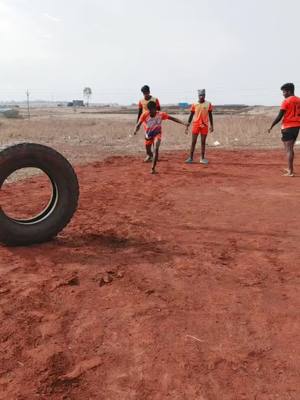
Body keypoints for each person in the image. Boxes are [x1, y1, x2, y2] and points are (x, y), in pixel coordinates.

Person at [133, 101, 188, 174]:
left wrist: (184, 123)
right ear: (148, 110)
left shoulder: (161, 114)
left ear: (155, 108)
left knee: (156, 148)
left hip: (157, 134)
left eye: (153, 109)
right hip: (148, 134)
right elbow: (139, 124)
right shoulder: (145, 114)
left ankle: (153, 168)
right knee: (148, 151)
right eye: (150, 110)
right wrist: (136, 130)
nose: (152, 112)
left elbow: (172, 118)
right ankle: (151, 156)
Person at [268, 83, 300, 177]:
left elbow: (279, 116)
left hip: (287, 127)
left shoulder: (286, 101)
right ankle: (290, 169)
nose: (283, 94)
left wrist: (271, 126)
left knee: (288, 149)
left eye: (284, 91)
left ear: (289, 91)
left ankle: (290, 172)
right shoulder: (299, 100)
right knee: (290, 148)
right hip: (296, 127)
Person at [185, 89, 214, 164]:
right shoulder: (194, 104)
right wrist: (188, 124)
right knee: (193, 142)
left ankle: (202, 158)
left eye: (203, 95)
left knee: (203, 142)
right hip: (196, 125)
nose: (201, 96)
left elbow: (210, 115)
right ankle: (191, 158)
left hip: (204, 125)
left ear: (205, 95)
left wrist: (212, 125)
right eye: (200, 95)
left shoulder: (208, 104)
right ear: (198, 96)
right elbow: (191, 115)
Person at [137, 85, 161, 162]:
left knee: (155, 138)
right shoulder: (141, 101)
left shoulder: (155, 99)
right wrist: (138, 122)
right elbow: (140, 112)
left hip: (154, 121)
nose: (145, 94)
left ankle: (155, 154)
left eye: (146, 92)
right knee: (148, 138)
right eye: (144, 93)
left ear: (149, 92)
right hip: (145, 122)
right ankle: (149, 155)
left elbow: (159, 110)